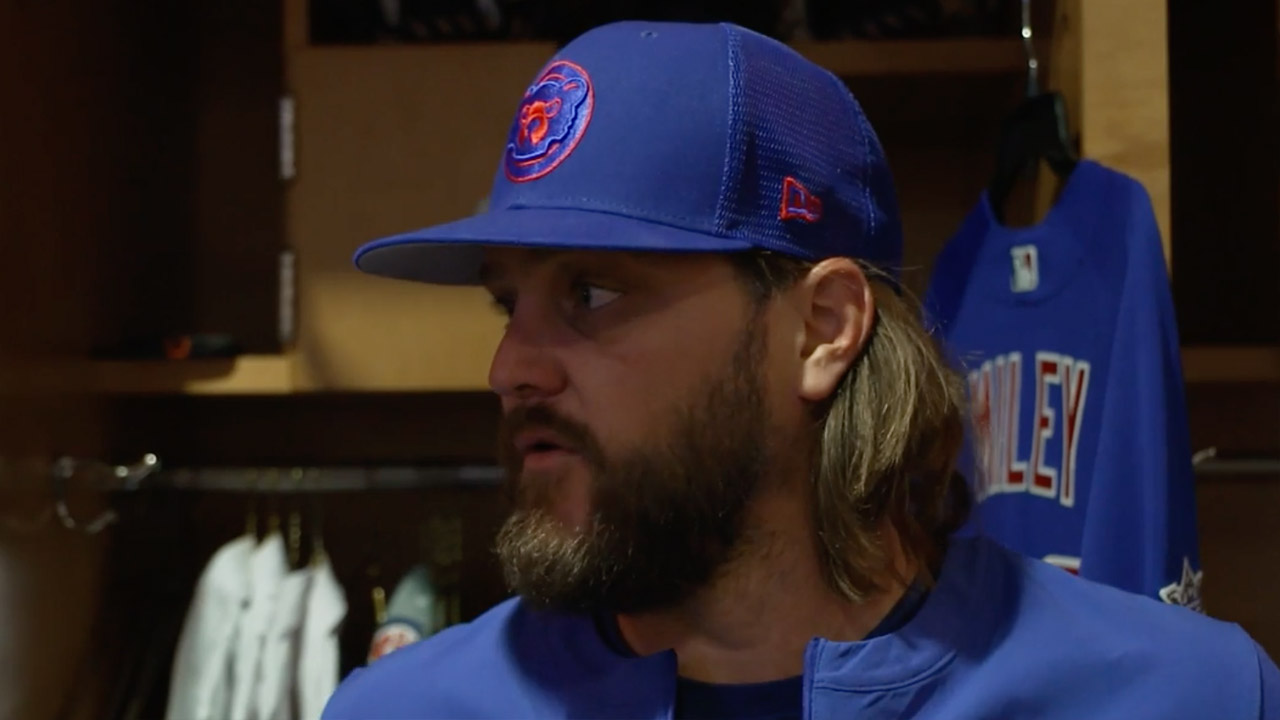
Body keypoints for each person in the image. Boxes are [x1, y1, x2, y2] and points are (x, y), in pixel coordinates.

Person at [322, 19, 1280, 720]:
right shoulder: (404, 711)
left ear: (823, 328)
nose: (509, 368)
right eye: (507, 305)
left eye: (592, 294)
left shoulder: (1184, 699)